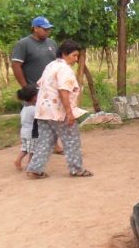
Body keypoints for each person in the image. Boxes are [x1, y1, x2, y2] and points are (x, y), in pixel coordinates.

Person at [25, 40, 92, 180]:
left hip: (43, 111)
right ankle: (76, 169)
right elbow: (63, 91)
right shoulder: (65, 69)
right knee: (71, 139)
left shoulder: (50, 65)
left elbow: (41, 85)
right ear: (64, 54)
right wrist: (69, 112)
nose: (76, 59)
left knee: (45, 140)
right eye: (74, 55)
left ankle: (35, 169)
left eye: (77, 56)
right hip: (58, 112)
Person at [11, 16, 63, 153]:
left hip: (51, 88)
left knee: (54, 117)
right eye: (44, 29)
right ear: (35, 28)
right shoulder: (24, 44)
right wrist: (26, 87)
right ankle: (31, 148)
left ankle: (55, 144)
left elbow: (57, 63)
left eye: (49, 29)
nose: (47, 32)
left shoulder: (52, 43)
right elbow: (16, 65)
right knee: (34, 120)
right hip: (34, 90)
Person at [14, 85, 38, 171]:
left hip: (23, 131)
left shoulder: (25, 107)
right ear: (34, 97)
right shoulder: (33, 109)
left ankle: (18, 161)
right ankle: (30, 165)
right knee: (32, 150)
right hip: (31, 133)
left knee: (25, 148)